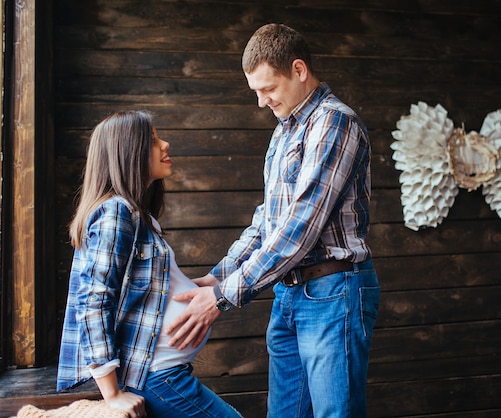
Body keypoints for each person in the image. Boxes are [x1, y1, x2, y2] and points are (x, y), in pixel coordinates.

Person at [165, 23, 381, 417]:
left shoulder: (334, 123)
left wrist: (223, 296)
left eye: (269, 89)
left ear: (299, 70)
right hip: (288, 294)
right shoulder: (283, 133)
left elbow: (300, 227)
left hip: (331, 292)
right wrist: (217, 276)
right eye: (256, 92)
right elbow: (268, 220)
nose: (262, 102)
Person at [56, 111, 242, 418]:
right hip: (153, 375)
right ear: (128, 151)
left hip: (163, 371)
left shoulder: (138, 215)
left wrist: (190, 288)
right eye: (153, 140)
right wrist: (113, 394)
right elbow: (93, 301)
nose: (165, 144)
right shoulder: (116, 212)